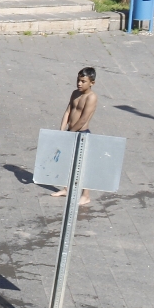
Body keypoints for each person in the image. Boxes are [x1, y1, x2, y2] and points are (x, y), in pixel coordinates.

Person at [51, 67, 98, 206]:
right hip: (70, 132)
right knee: (68, 162)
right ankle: (66, 188)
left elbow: (83, 119)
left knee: (83, 165)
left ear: (92, 83)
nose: (79, 83)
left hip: (82, 133)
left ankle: (86, 195)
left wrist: (70, 133)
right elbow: (68, 111)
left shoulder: (91, 97)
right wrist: (62, 130)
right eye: (78, 80)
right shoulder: (75, 93)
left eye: (83, 81)